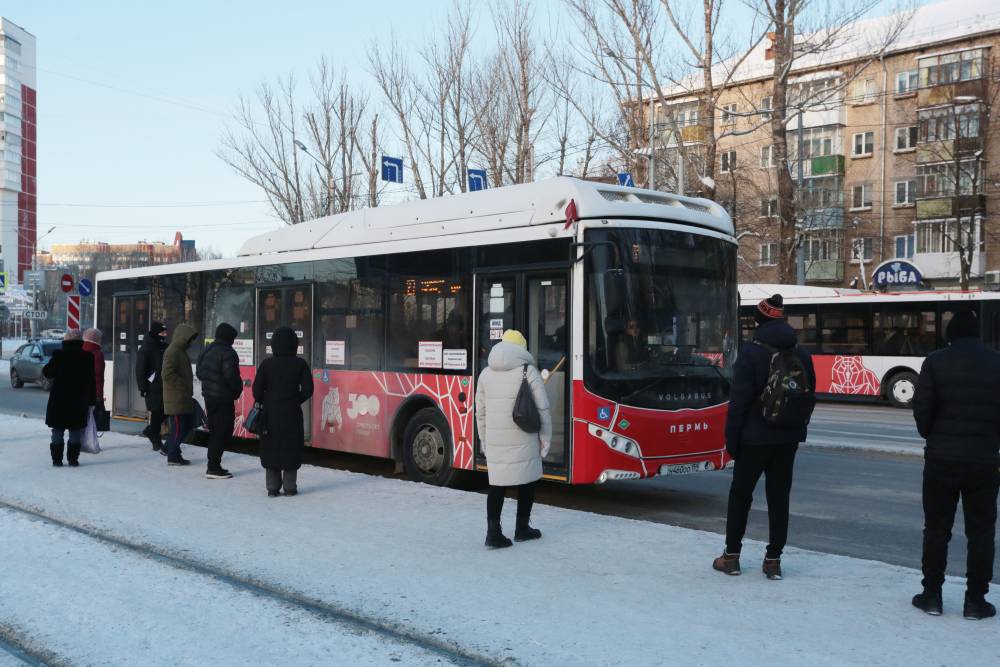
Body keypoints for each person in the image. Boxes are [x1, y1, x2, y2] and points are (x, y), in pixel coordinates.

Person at [714, 294, 815, 580]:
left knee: (741, 496)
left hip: (754, 439)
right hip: (787, 439)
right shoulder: (802, 354)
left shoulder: (750, 353)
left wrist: (731, 441)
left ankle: (731, 557)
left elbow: (739, 403)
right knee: (779, 498)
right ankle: (773, 562)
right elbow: (808, 397)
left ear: (758, 322)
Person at [911, 309, 1000, 620]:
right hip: (985, 461)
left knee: (936, 530)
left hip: (941, 459)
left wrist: (933, 435)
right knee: (982, 532)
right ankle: (976, 600)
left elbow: (922, 411)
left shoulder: (935, 362)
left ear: (951, 334)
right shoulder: (996, 362)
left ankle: (932, 595)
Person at [474, 329, 552, 548]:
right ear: (521, 348)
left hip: (496, 441)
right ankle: (522, 528)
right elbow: (543, 408)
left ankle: (493, 533)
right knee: (527, 482)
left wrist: (484, 439)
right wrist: (545, 438)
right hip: (525, 438)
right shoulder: (528, 371)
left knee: (497, 486)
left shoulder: (486, 373)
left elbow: (480, 412)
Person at [252, 327, 314, 497]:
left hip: (270, 414)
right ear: (294, 344)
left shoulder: (267, 364)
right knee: (290, 447)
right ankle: (290, 487)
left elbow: (257, 391)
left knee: (271, 446)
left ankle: (272, 488)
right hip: (292, 413)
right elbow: (308, 389)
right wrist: (295, 400)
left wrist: (267, 400)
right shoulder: (300, 364)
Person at [43, 329, 96, 467]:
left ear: (65, 341)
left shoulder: (59, 355)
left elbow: (47, 373)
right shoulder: (88, 357)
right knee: (75, 430)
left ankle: (57, 460)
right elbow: (91, 381)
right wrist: (92, 400)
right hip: (79, 401)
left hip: (59, 400)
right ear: (80, 342)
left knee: (57, 430)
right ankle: (73, 460)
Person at [196, 323, 243, 480]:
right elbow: (232, 377)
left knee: (215, 430)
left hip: (209, 397)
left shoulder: (207, 350)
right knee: (222, 431)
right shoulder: (228, 353)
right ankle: (213, 467)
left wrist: (211, 384)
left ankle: (213, 464)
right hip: (223, 398)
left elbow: (200, 372)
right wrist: (237, 391)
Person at [161, 323, 199, 466]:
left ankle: (169, 449)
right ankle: (172, 456)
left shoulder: (180, 351)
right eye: (189, 339)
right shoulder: (173, 351)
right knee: (179, 428)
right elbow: (166, 374)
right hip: (176, 397)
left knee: (187, 425)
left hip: (182, 397)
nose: (191, 342)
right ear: (183, 337)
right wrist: (183, 384)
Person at [137, 322, 169, 453]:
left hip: (164, 385)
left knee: (165, 411)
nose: (165, 335)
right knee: (157, 413)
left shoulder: (164, 346)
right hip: (152, 387)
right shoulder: (146, 348)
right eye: (162, 333)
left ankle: (151, 431)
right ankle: (156, 440)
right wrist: (143, 388)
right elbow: (140, 369)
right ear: (156, 333)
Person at [82, 328, 106, 410]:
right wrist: (99, 396)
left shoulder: (80, 350)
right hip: (92, 394)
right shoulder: (97, 354)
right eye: (100, 339)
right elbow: (98, 376)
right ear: (97, 339)